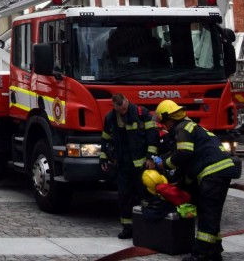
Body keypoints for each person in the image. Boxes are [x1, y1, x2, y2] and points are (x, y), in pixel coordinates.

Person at [156, 99, 236, 261]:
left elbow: (184, 154)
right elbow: (191, 162)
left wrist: (164, 165)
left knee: (207, 213)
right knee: (212, 213)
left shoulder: (182, 129)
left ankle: (201, 254)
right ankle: (214, 251)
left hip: (212, 173)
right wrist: (181, 181)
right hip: (221, 171)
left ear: (169, 119)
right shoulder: (192, 126)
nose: (165, 127)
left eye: (165, 123)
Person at [99, 93, 160, 239]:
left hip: (141, 165)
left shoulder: (142, 113)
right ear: (114, 107)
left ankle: (146, 227)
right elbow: (105, 139)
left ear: (127, 101)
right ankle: (128, 228)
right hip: (123, 165)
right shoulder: (110, 118)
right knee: (124, 197)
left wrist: (151, 157)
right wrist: (103, 158)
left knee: (145, 196)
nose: (124, 112)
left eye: (125, 109)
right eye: (121, 111)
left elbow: (153, 135)